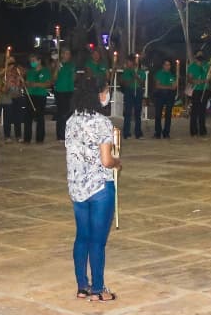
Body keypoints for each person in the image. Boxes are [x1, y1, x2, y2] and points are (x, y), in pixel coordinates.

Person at [65, 73, 121, 302]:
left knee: (82, 237)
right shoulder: (101, 122)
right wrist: (118, 161)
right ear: (98, 94)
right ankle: (98, 289)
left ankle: (82, 285)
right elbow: (107, 160)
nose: (107, 95)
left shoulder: (71, 121)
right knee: (98, 240)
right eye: (106, 90)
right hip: (99, 187)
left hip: (77, 186)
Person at [25, 52, 52, 143]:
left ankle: (40, 139)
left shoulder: (45, 71)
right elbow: (28, 83)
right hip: (30, 95)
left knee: (40, 117)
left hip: (40, 96)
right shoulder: (30, 71)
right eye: (31, 61)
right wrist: (27, 84)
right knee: (28, 118)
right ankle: (27, 138)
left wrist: (36, 84)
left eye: (34, 60)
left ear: (39, 61)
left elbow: (48, 84)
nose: (32, 62)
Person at [118, 56, 146, 139]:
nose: (127, 63)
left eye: (129, 62)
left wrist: (136, 77)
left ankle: (138, 133)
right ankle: (126, 133)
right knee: (128, 112)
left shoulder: (141, 72)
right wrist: (132, 77)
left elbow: (142, 83)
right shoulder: (126, 71)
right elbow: (125, 83)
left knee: (138, 113)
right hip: (129, 92)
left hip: (138, 92)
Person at [1, 58, 26, 143]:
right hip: (8, 98)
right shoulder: (4, 73)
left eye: (13, 63)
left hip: (18, 97)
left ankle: (18, 135)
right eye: (10, 63)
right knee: (7, 118)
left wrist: (21, 81)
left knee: (18, 117)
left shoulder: (18, 73)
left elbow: (22, 86)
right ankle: (7, 136)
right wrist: (8, 79)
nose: (12, 66)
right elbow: (4, 87)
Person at [54, 47, 76, 141]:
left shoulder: (71, 65)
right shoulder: (57, 64)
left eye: (69, 53)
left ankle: (69, 133)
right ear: (62, 54)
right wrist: (57, 69)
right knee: (61, 114)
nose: (68, 55)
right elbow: (53, 79)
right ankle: (60, 135)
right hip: (60, 91)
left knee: (70, 113)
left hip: (69, 91)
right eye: (66, 53)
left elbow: (74, 78)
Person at [152, 60, 177, 139]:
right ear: (163, 65)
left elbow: (174, 86)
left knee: (168, 115)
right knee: (158, 114)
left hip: (169, 95)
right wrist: (169, 87)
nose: (167, 66)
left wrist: (168, 86)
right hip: (160, 95)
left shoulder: (171, 75)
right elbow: (158, 86)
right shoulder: (159, 73)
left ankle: (166, 132)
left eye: (169, 65)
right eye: (166, 65)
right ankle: (158, 132)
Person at [187, 52, 209, 137]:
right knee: (195, 111)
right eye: (198, 55)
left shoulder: (206, 65)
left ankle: (202, 130)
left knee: (202, 111)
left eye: (201, 54)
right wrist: (198, 81)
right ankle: (194, 130)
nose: (200, 56)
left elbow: (209, 77)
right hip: (196, 90)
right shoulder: (192, 67)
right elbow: (190, 79)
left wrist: (208, 78)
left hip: (204, 89)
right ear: (195, 56)